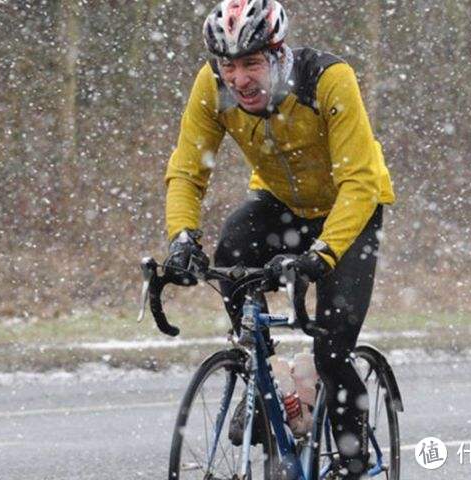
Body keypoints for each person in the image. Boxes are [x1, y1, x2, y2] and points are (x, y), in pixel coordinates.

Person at [163, 1, 395, 478]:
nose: (239, 78)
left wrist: (323, 255)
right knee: (230, 252)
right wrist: (182, 237)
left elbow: (359, 181)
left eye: (251, 63)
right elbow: (188, 170)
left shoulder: (327, 80)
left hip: (350, 208)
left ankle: (354, 459)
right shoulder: (214, 87)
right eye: (228, 65)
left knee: (332, 349)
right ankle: (264, 376)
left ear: (278, 53)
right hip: (279, 202)